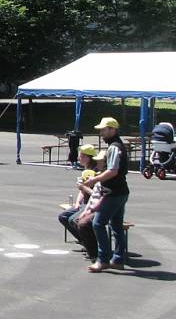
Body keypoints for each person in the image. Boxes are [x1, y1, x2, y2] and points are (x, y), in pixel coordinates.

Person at [84, 117, 130, 272]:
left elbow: (113, 171)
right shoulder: (116, 146)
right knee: (116, 225)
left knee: (98, 223)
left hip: (114, 192)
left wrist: (94, 179)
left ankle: (103, 259)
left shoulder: (114, 147)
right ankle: (117, 259)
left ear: (113, 129)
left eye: (104, 130)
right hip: (120, 191)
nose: (101, 133)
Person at [57, 144, 97, 242]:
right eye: (80, 155)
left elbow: (97, 194)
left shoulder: (94, 172)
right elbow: (82, 190)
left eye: (83, 156)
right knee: (63, 216)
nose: (79, 158)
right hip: (84, 203)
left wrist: (83, 187)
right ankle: (84, 241)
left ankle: (90, 243)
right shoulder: (86, 170)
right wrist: (78, 202)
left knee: (73, 220)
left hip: (92, 205)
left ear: (89, 158)